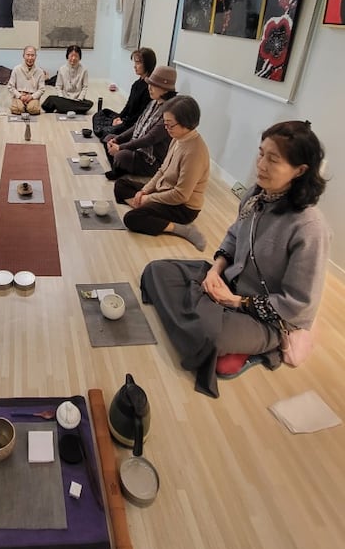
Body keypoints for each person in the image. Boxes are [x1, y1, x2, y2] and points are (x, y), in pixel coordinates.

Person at [140, 121, 330, 398]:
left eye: (273, 159)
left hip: (265, 316)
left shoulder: (310, 228)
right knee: (157, 270)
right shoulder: (255, 195)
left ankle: (250, 341)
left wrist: (235, 302)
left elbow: (298, 306)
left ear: (300, 170)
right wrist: (215, 272)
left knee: (208, 334)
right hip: (230, 284)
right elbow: (233, 236)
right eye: (261, 153)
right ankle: (206, 322)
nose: (261, 165)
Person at [114, 95, 209, 249]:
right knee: (121, 185)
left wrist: (149, 199)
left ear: (186, 123)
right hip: (163, 190)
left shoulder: (194, 152)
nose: (166, 129)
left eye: (170, 125)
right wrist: (145, 191)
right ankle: (146, 210)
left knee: (131, 219)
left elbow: (180, 195)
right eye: (165, 124)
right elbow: (162, 170)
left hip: (182, 207)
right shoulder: (177, 138)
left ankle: (182, 229)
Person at [104, 65, 177, 180]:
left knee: (121, 155)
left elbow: (149, 139)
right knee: (109, 138)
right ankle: (120, 166)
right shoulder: (153, 102)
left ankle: (120, 166)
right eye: (149, 84)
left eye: (154, 85)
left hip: (151, 160)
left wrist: (120, 147)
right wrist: (118, 139)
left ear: (166, 89)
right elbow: (137, 125)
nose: (149, 88)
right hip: (139, 148)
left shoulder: (169, 113)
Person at [92, 48, 156, 140]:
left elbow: (141, 115)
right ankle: (109, 129)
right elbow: (128, 106)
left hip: (133, 124)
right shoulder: (136, 84)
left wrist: (123, 122)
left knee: (107, 134)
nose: (135, 66)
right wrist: (119, 117)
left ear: (147, 64)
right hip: (126, 119)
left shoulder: (150, 88)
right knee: (101, 113)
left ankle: (109, 132)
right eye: (135, 63)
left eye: (138, 63)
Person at [41, 45, 93, 114]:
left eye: (76, 56)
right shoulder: (62, 69)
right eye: (71, 56)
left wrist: (80, 99)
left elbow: (85, 87)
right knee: (50, 99)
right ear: (67, 56)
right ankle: (73, 109)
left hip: (77, 100)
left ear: (80, 57)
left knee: (89, 104)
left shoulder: (84, 70)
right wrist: (62, 98)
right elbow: (58, 87)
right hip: (64, 99)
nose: (73, 58)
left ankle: (65, 108)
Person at [7, 46, 46, 115]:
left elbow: (42, 89)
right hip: (19, 96)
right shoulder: (16, 69)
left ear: (36, 56)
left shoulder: (40, 71)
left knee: (33, 110)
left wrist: (32, 96)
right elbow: (10, 86)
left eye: (32, 55)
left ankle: (28, 106)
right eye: (28, 55)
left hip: (32, 96)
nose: (30, 58)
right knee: (18, 109)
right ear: (23, 56)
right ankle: (21, 106)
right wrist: (20, 96)